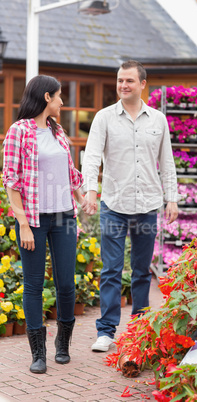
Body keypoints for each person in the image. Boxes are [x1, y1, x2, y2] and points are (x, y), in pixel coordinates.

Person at [81, 60, 178, 352]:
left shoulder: (158, 120)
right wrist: (90, 190)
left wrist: (171, 197)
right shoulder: (104, 118)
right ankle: (106, 331)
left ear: (142, 84)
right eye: (120, 80)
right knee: (111, 269)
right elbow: (92, 156)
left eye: (129, 81)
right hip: (114, 203)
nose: (123, 85)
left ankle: (140, 329)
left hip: (147, 205)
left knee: (140, 271)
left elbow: (168, 162)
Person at [3, 75, 85, 374]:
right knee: (34, 285)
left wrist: (83, 195)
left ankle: (62, 344)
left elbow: (69, 170)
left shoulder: (57, 130)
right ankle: (38, 353)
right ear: (47, 97)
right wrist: (23, 223)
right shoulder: (18, 131)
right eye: (60, 96)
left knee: (66, 283)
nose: (63, 102)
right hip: (34, 220)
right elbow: (10, 181)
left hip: (64, 216)